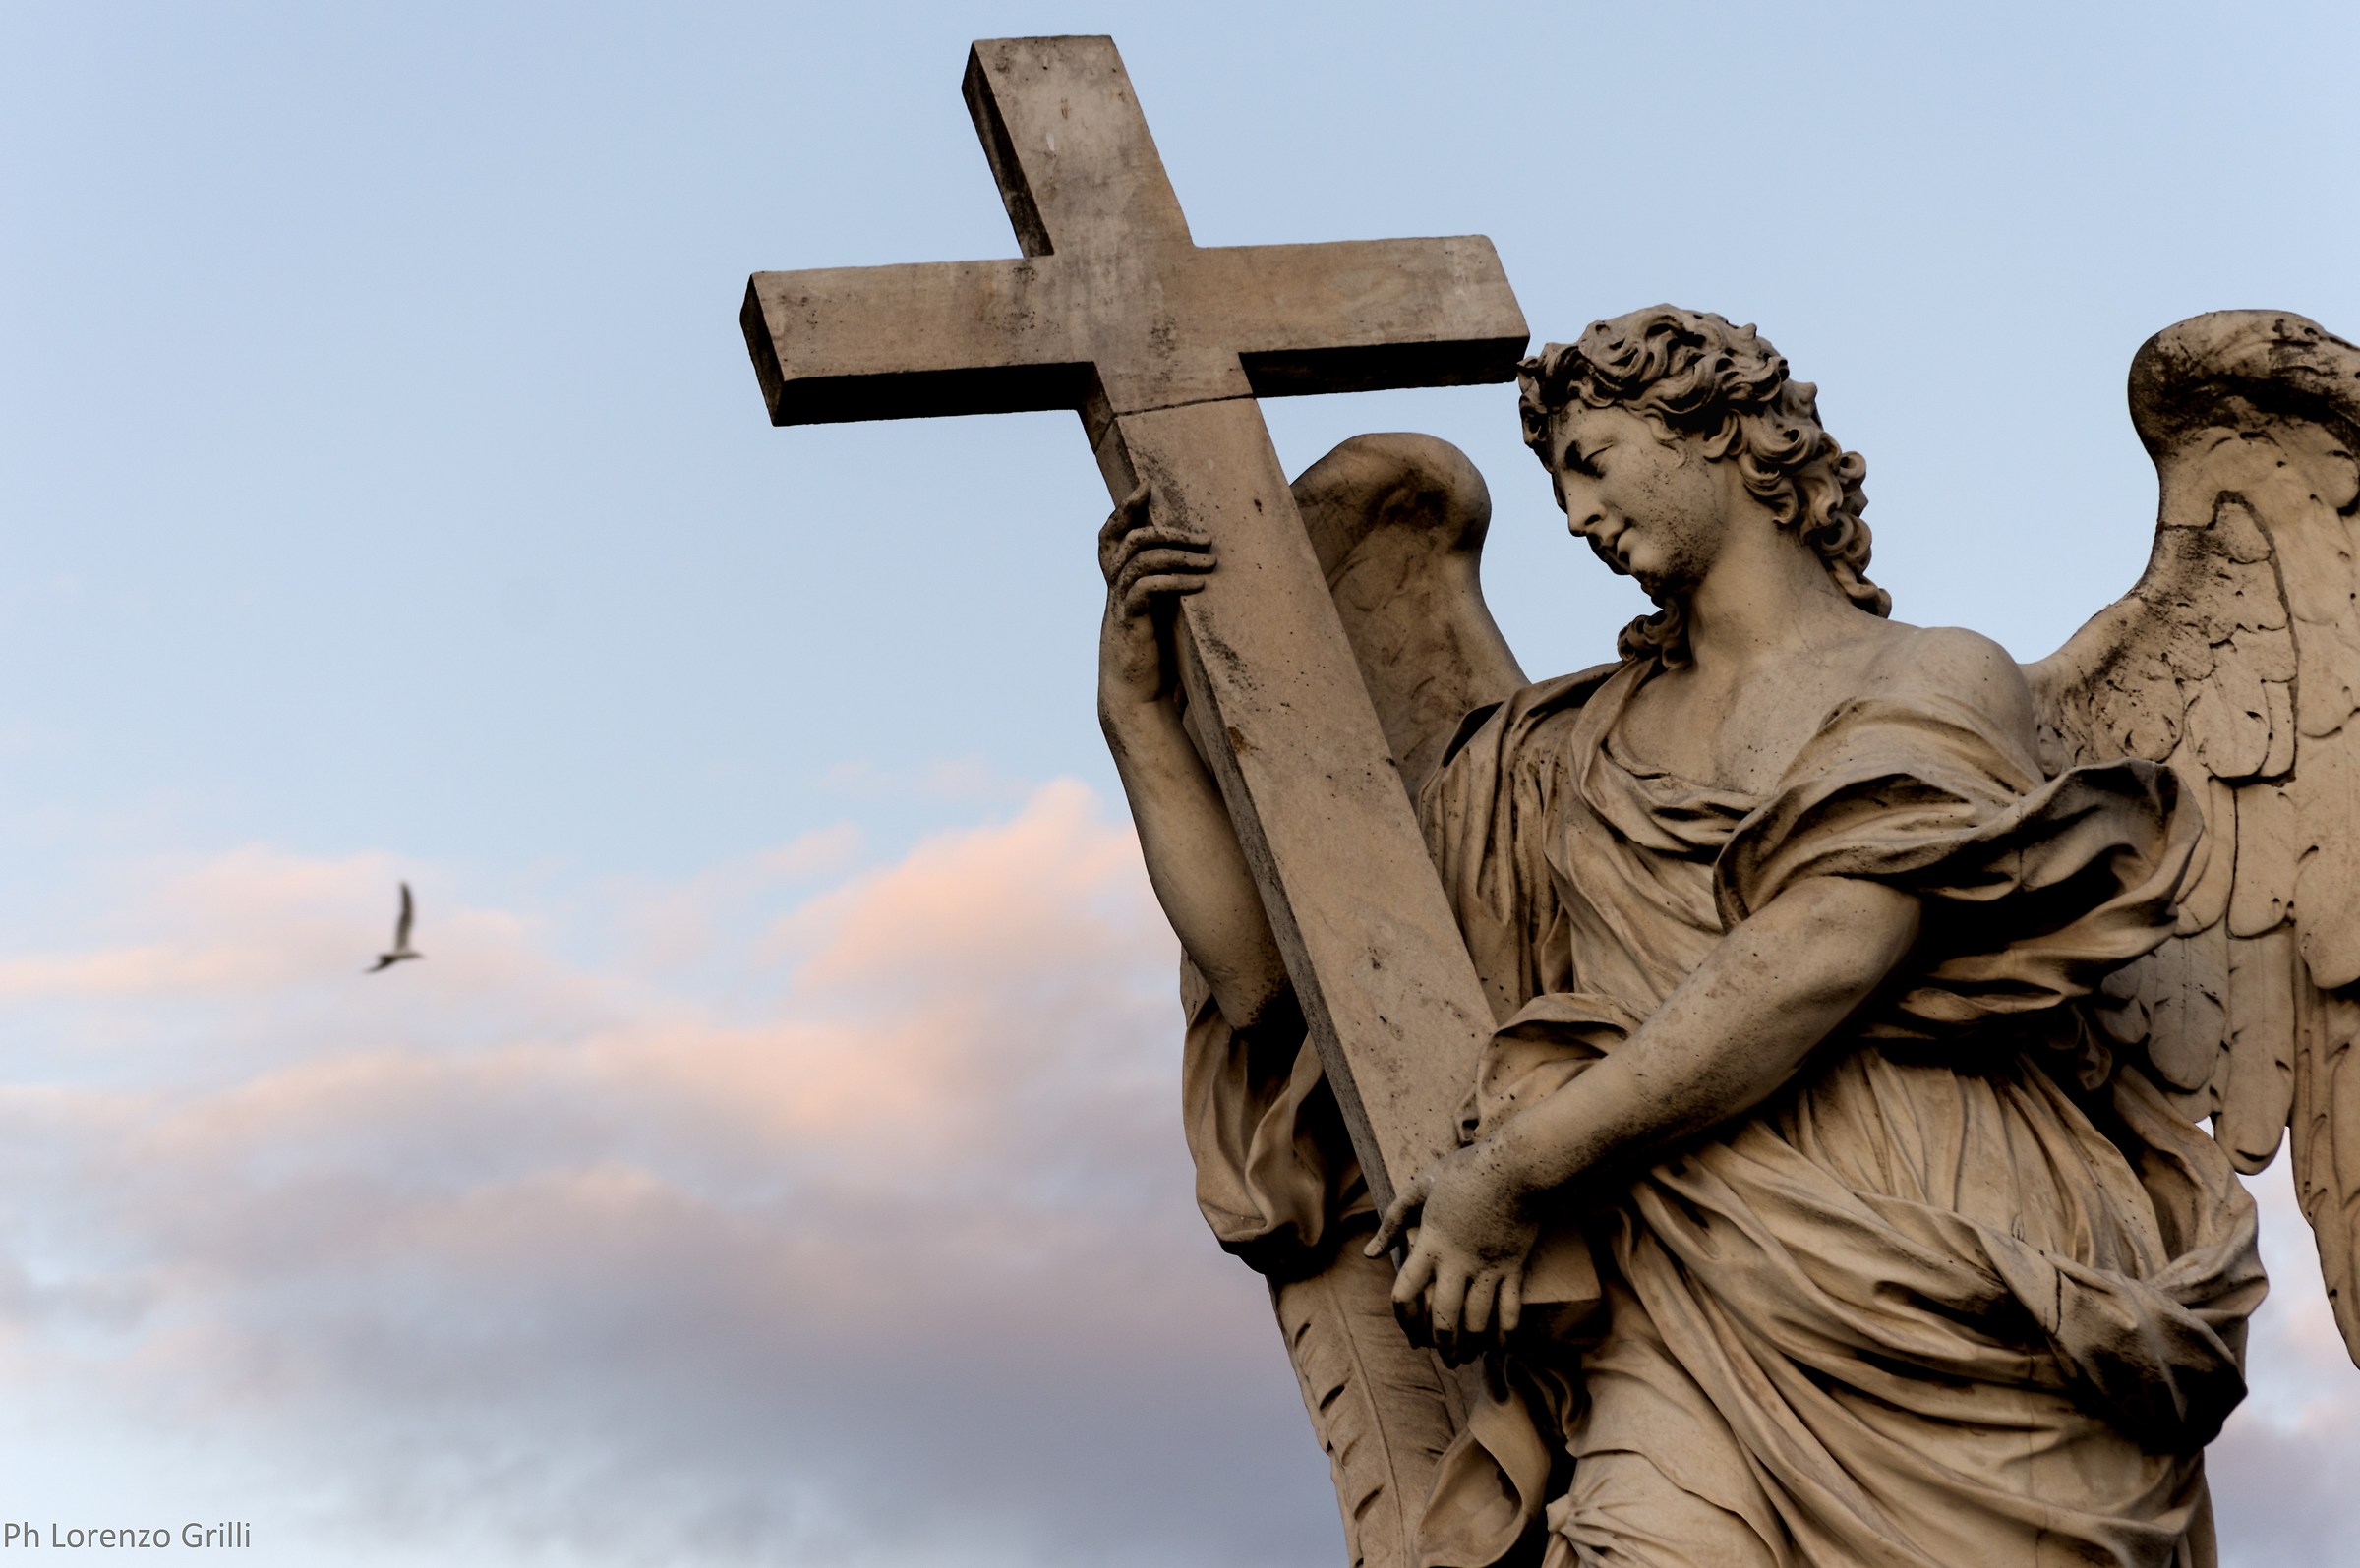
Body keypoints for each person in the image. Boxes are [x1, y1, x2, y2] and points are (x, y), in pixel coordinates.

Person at [1097, 307, 2264, 1568]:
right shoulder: (1548, 760)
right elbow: (1279, 979)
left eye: (1593, 460)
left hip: (1949, 1251)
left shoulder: (1936, 677)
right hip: (1676, 1283)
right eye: (1558, 487)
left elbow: (1828, 947)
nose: (1578, 516)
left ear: (1721, 435)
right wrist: (1145, 727)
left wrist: (1518, 1168)